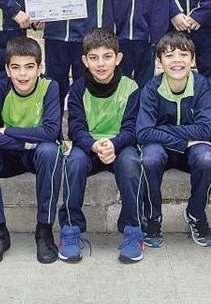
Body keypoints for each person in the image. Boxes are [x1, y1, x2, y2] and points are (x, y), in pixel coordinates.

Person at [0, 36, 63, 265]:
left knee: (50, 151)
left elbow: (51, 132)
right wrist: (26, 142)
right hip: (9, 156)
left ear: (40, 68)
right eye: (16, 68)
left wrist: (9, 130)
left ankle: (44, 230)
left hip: (38, 155)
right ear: (7, 69)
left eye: (29, 67)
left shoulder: (50, 87)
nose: (23, 74)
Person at [59, 28, 144, 263]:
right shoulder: (77, 88)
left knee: (130, 163)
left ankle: (133, 229)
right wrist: (95, 146)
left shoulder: (131, 87)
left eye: (107, 57)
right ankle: (70, 229)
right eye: (94, 58)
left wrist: (113, 145)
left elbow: (132, 129)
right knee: (74, 162)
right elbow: (75, 129)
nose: (100, 64)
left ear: (118, 58)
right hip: (89, 146)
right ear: (85, 61)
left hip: (120, 144)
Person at [137, 32, 211, 249]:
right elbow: (143, 133)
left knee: (207, 158)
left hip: (191, 150)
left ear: (192, 60)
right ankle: (152, 218)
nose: (177, 61)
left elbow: (205, 129)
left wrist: (162, 130)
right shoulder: (152, 88)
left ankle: (196, 214)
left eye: (184, 55)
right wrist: (185, 142)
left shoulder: (201, 85)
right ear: (159, 62)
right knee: (149, 158)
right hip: (162, 149)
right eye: (169, 55)